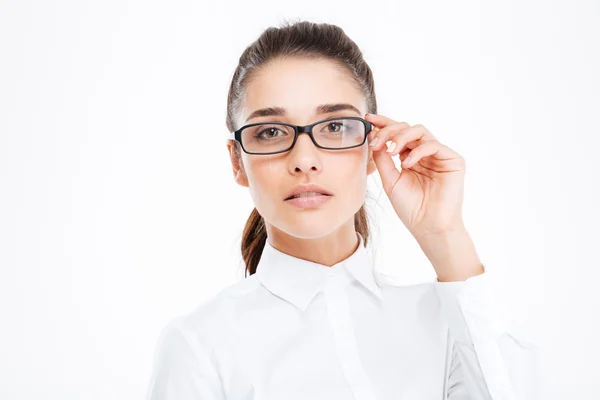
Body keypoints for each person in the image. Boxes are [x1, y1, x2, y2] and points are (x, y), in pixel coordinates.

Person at [146, 19, 542, 399]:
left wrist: (444, 233)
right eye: (270, 132)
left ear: (373, 145)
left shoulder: (449, 320)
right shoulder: (200, 346)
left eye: (334, 126)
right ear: (237, 162)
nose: (304, 159)